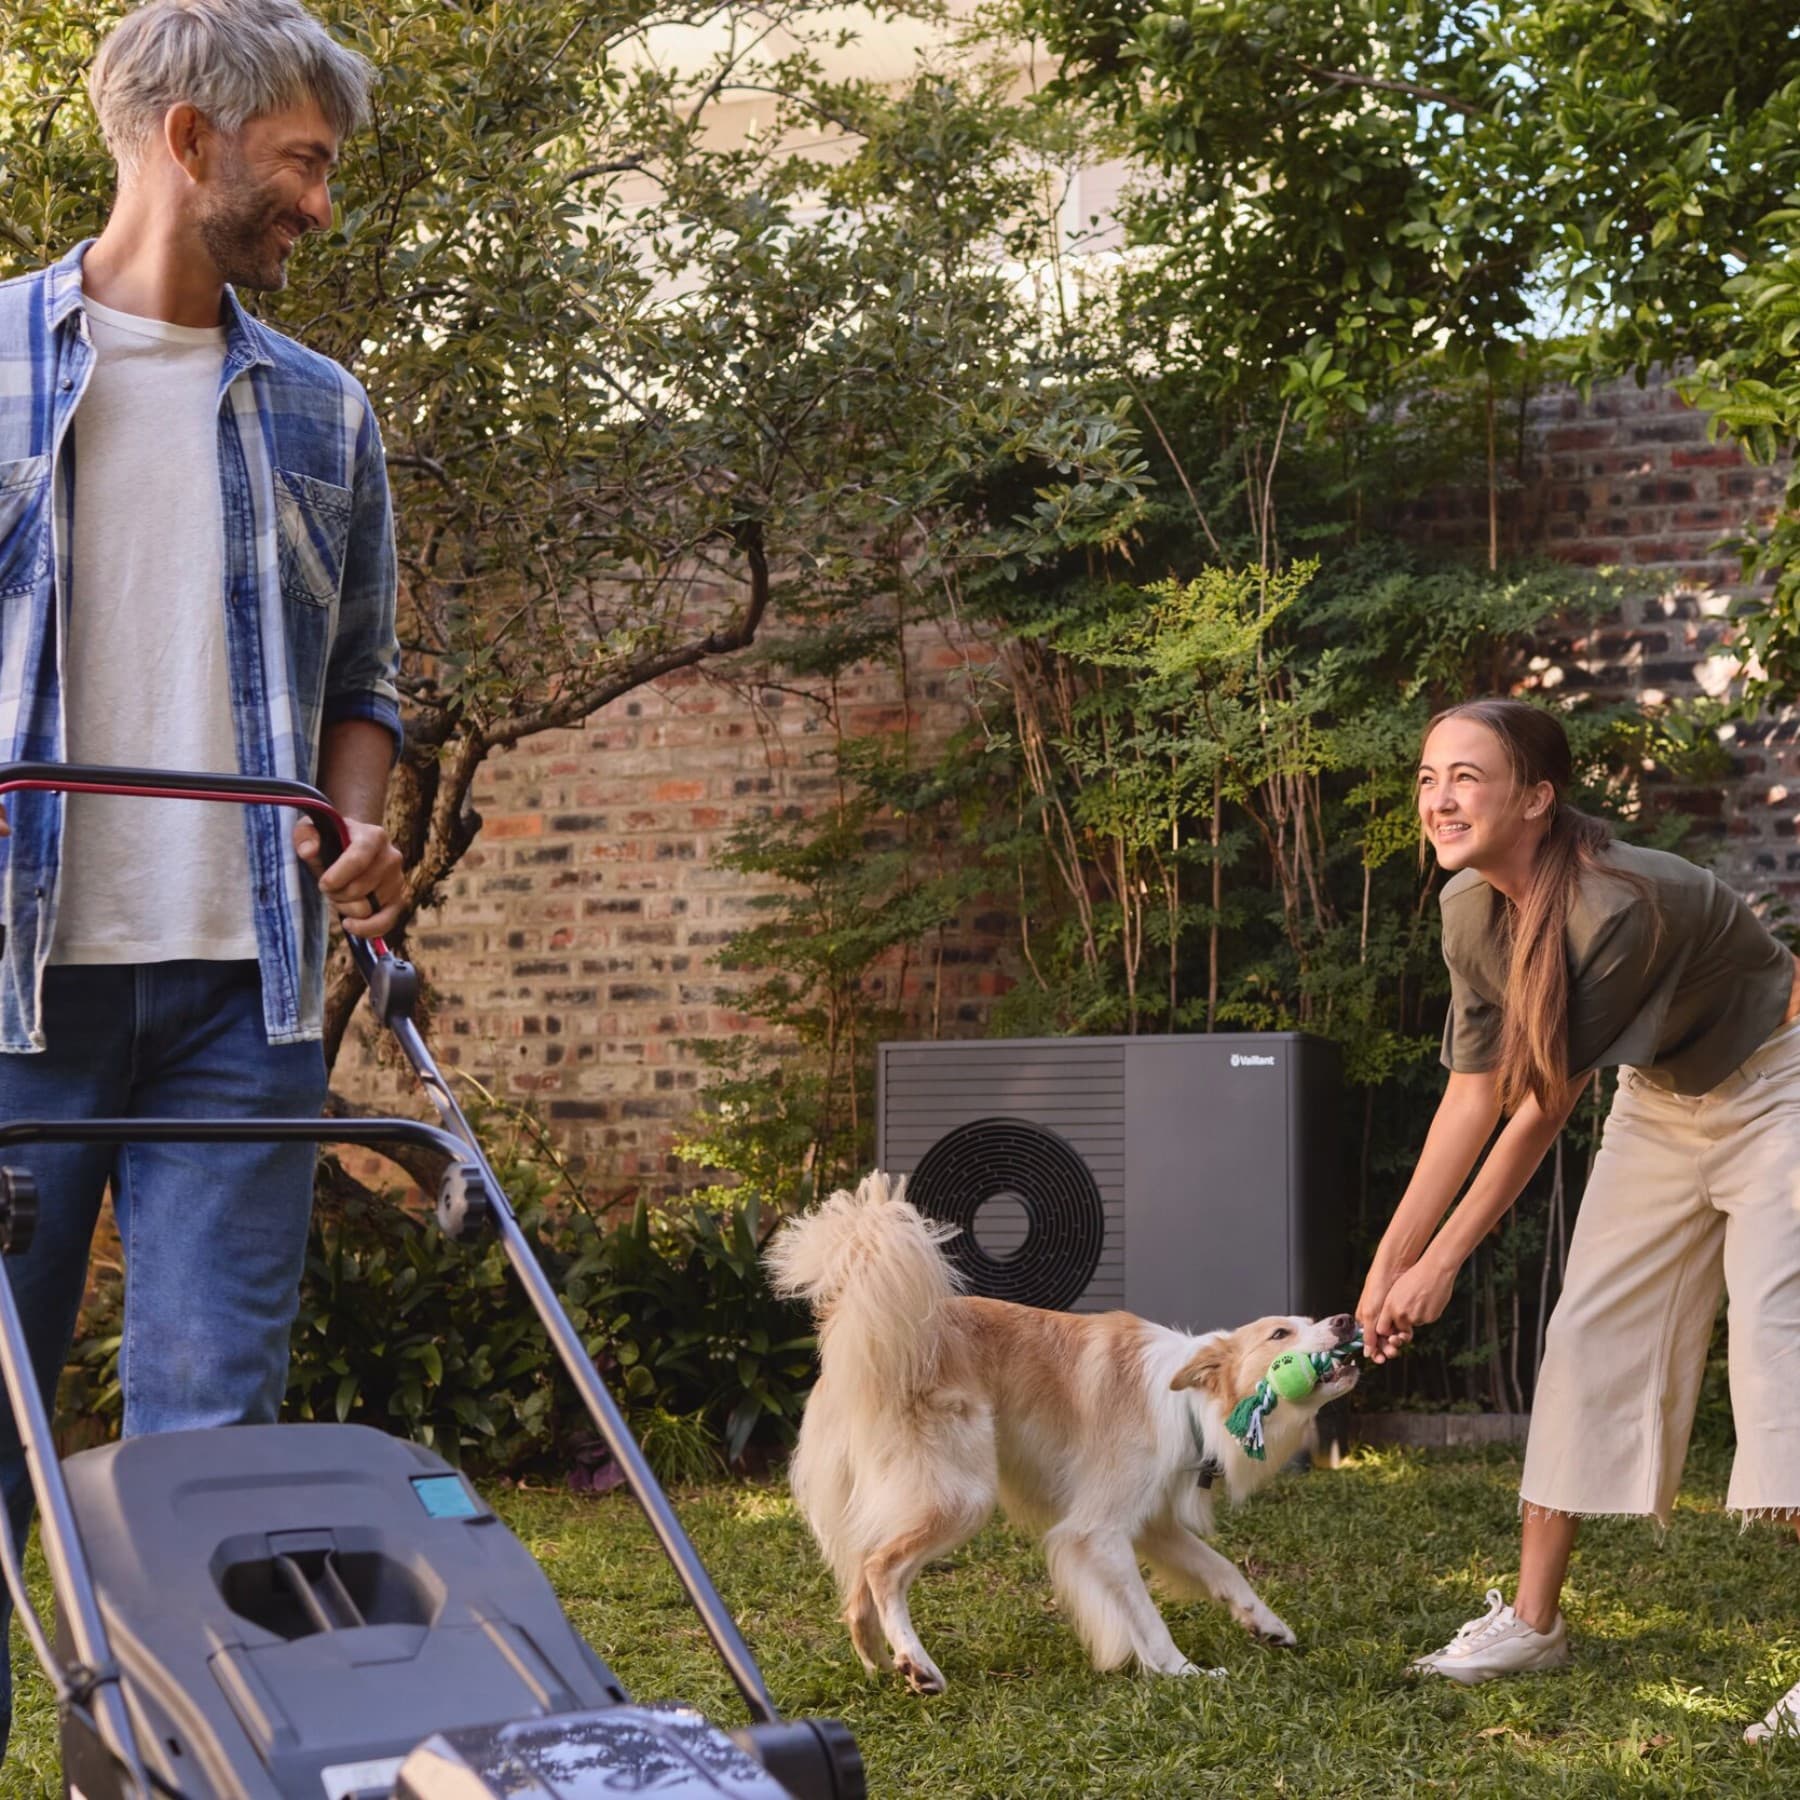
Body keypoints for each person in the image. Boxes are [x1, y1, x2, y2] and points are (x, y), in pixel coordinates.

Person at [0, 0, 403, 1755]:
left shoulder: (324, 410)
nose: (320, 201)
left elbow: (360, 688)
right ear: (188, 138)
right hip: (15, 995)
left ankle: (157, 1781)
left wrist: (359, 821)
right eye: (302, 161)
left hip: (242, 1002)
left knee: (210, 1454)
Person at [1356, 696, 1800, 1743]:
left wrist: (1447, 1262)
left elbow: (1541, 1106)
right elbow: (1473, 1094)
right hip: (1666, 1099)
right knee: (1588, 1335)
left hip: (1779, 1081)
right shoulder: (1471, 905)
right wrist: (1389, 1264)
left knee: (1781, 1353)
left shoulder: (1619, 904)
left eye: (1466, 775)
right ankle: (1533, 1621)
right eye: (1428, 776)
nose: (1440, 797)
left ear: (1539, 797)